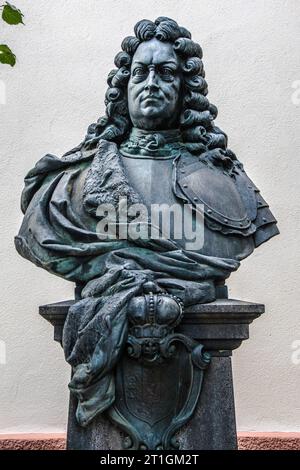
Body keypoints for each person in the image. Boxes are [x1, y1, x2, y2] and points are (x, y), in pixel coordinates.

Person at [15, 17, 278, 427]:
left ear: (184, 90)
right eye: (141, 71)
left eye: (166, 72)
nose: (151, 81)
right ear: (124, 87)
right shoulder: (69, 186)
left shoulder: (227, 182)